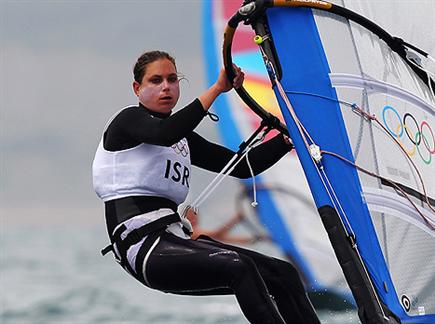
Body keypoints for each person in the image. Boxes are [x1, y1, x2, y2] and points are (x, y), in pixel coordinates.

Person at [92, 50, 320, 324]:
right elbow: (165, 134)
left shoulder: (183, 139)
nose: (166, 86)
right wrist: (217, 89)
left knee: (282, 274)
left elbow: (241, 166)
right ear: (137, 89)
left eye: (172, 79)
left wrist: (287, 139)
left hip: (173, 240)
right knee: (239, 267)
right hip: (143, 248)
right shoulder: (127, 121)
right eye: (155, 81)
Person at [185, 206, 269, 244]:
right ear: (185, 217)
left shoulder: (198, 232)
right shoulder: (190, 232)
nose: (195, 218)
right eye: (191, 215)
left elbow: (222, 238)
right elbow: (217, 234)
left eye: (196, 215)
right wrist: (235, 220)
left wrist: (253, 239)